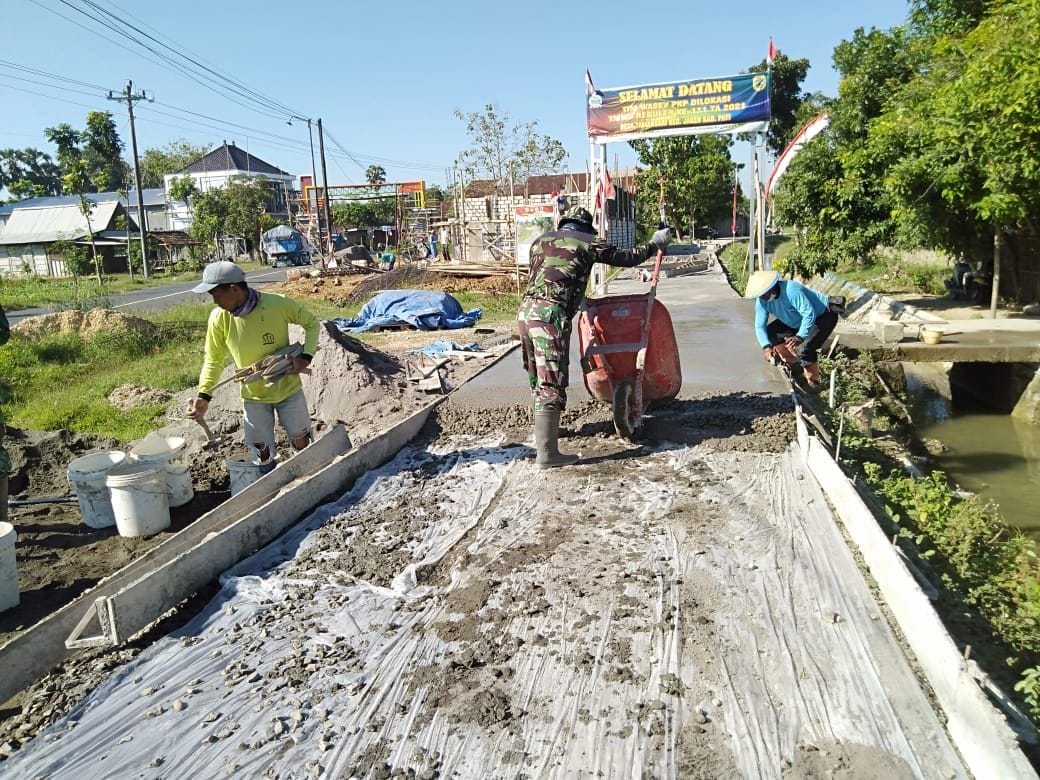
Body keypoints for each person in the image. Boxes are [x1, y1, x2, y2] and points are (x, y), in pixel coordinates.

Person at [518, 205, 671, 467]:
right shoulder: (587, 241)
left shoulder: (539, 241)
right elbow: (627, 258)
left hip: (525, 312)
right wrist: (654, 244)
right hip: (550, 317)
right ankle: (547, 455)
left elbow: (552, 274)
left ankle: (548, 434)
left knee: (537, 375)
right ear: (586, 227)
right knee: (552, 380)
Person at [186, 261, 320, 474]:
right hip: (253, 397)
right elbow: (213, 359)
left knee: (301, 441)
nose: (215, 301)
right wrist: (204, 394)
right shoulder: (219, 319)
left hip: (288, 390)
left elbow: (312, 324)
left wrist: (305, 357)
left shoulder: (278, 304)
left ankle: (310, 478)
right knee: (261, 452)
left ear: (234, 289)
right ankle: (271, 488)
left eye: (217, 295)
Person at [744, 269, 838, 388]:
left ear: (772, 287)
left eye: (764, 294)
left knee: (805, 348)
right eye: (760, 296)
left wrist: (800, 336)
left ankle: (814, 383)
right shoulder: (762, 302)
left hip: (822, 316)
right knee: (770, 333)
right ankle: (794, 365)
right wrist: (766, 347)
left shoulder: (791, 290)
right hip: (796, 320)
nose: (763, 298)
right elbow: (759, 325)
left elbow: (809, 314)